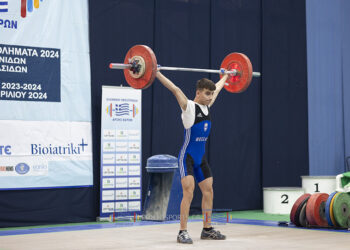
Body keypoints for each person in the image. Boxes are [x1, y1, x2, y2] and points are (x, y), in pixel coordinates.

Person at [155, 70, 229, 244]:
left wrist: (226, 76)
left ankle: (207, 229)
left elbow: (218, 88)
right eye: (207, 93)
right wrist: (156, 72)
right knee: (189, 192)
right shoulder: (188, 107)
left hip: (200, 159)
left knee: (208, 191)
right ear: (198, 92)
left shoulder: (207, 107)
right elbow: (174, 88)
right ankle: (182, 232)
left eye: (211, 94)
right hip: (186, 158)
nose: (211, 97)